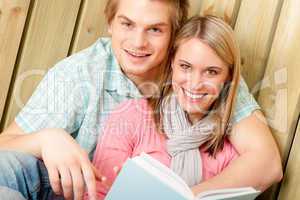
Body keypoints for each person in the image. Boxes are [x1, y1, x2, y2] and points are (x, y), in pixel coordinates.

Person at [0, 0, 282, 200]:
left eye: (155, 29)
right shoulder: (79, 74)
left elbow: (266, 162)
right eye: (127, 24)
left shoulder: (199, 66)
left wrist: (185, 198)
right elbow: (5, 147)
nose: (138, 42)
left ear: (174, 34)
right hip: (63, 187)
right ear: (110, 23)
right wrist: (46, 139)